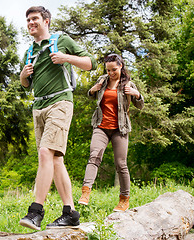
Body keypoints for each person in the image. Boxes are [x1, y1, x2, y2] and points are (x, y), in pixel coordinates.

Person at [19, 6, 97, 230]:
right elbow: (26, 86)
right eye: (28, 20)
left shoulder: (61, 40)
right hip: (39, 106)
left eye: (34, 19)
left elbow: (90, 62)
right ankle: (70, 213)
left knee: (45, 152)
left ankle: (35, 212)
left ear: (46, 21)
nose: (30, 23)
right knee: (55, 159)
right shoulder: (29, 51)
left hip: (60, 102)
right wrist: (24, 77)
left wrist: (66, 58)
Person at [78, 53, 144, 211]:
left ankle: (124, 199)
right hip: (101, 126)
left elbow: (140, 105)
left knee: (121, 164)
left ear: (120, 66)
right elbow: (92, 95)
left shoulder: (128, 84)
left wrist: (137, 94)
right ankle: (86, 192)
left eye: (114, 69)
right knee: (94, 156)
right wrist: (92, 90)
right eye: (108, 70)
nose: (111, 73)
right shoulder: (102, 80)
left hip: (119, 129)